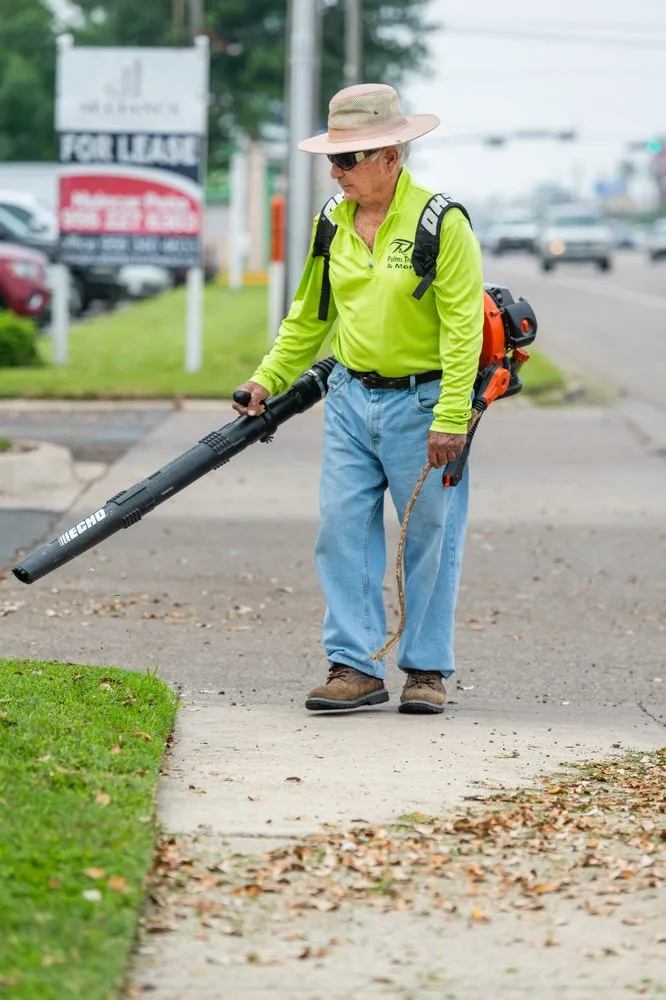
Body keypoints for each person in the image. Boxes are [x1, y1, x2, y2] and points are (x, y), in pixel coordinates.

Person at [232, 83, 483, 715]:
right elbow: (309, 315)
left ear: (392, 157)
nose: (337, 171)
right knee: (342, 531)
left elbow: (463, 330)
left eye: (350, 159)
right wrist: (267, 378)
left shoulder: (440, 222)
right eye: (333, 159)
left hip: (424, 404)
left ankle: (425, 670)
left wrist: (452, 416)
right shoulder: (331, 221)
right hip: (349, 398)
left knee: (428, 536)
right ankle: (353, 666)